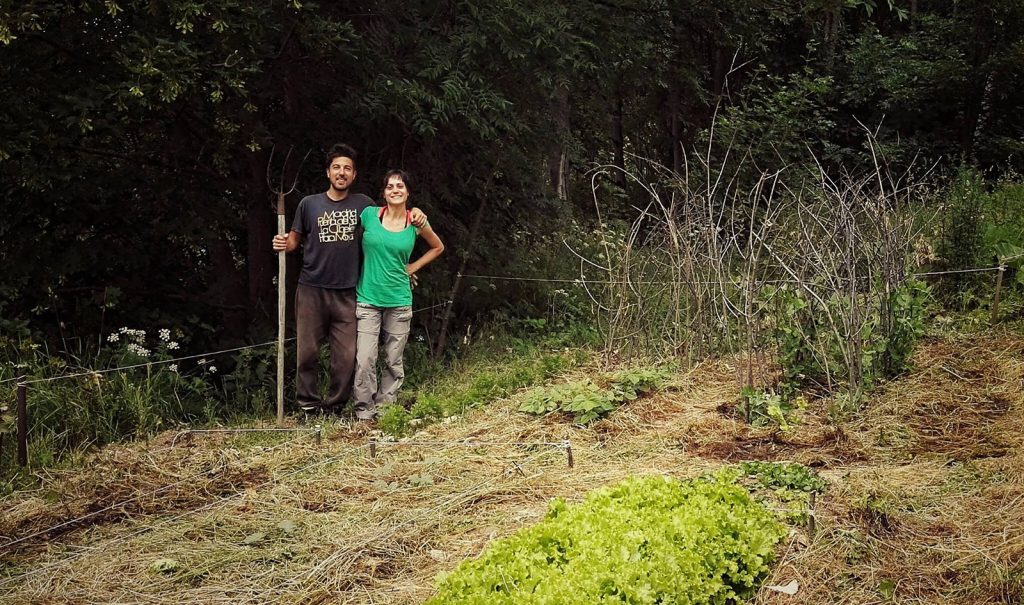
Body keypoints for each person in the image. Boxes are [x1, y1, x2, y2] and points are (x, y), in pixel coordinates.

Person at [272, 144, 425, 416]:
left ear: (353, 175)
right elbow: (295, 240)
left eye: (347, 168)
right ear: (328, 172)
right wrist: (283, 241)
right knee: (306, 353)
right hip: (311, 289)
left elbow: (392, 222)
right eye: (336, 167)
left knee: (345, 358)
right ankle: (308, 406)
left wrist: (415, 223)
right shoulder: (309, 204)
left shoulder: (364, 206)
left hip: (349, 292)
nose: (341, 173)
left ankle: (334, 407)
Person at [353, 169, 444, 420]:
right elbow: (343, 235)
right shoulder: (369, 215)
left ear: (407, 192)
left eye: (400, 186)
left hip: (399, 301)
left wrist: (414, 266)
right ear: (383, 192)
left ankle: (386, 411)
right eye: (390, 186)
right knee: (365, 359)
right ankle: (364, 413)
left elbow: (438, 247)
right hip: (368, 298)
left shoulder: (415, 221)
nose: (395, 190)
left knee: (393, 361)